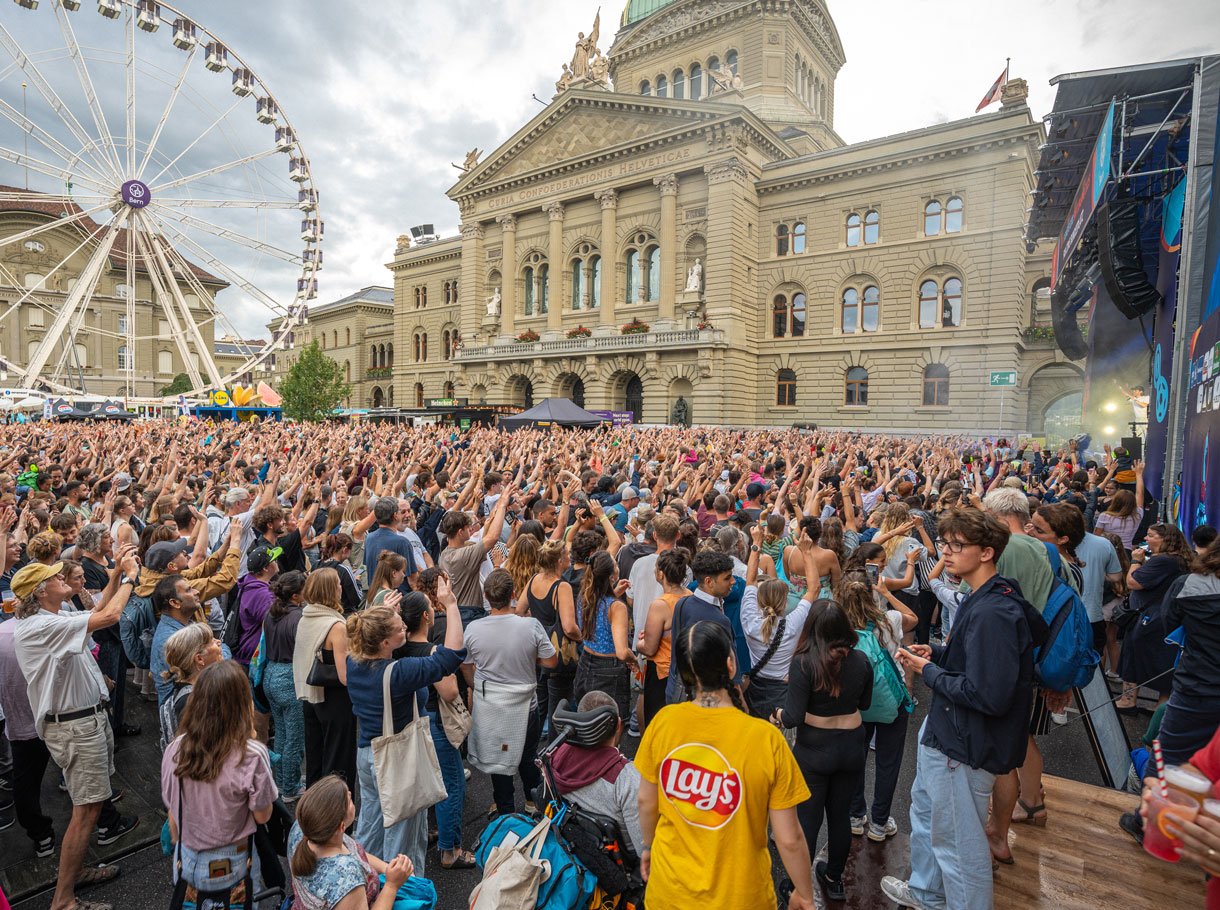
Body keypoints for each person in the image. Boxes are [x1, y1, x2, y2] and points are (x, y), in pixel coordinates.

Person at [883, 508, 1041, 910]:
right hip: (949, 731)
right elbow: (975, 662)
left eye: (957, 545)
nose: (946, 553)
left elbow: (989, 695)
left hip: (963, 741)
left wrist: (930, 671)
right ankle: (927, 894)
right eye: (946, 543)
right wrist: (937, 652)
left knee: (958, 846)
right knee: (929, 819)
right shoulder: (986, 596)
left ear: (987, 552)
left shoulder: (993, 612)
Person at [636, 620, 815, 910]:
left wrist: (647, 846)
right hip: (741, 897)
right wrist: (805, 894)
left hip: (669, 892)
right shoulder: (766, 739)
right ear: (730, 666)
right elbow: (789, 838)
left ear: (683, 675)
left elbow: (646, 801)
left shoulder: (663, 723)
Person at [12, 557, 139, 910]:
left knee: (90, 805)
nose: (63, 578)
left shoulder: (53, 617)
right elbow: (110, 616)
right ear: (40, 592)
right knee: (87, 809)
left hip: (83, 723)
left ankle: (76, 870)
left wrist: (116, 574)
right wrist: (130, 578)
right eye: (55, 578)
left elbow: (97, 611)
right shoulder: (40, 626)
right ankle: (64, 899)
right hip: (75, 727)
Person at [345, 590, 465, 875]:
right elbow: (450, 658)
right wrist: (451, 605)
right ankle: (404, 892)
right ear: (385, 642)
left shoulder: (354, 660)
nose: (404, 626)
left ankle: (365, 884)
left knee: (371, 829)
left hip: (368, 753)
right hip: (397, 759)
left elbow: (368, 627)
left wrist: (382, 610)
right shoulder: (398, 673)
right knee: (403, 841)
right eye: (399, 628)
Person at [776, 600, 872, 902]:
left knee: (808, 819)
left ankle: (797, 887)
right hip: (852, 748)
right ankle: (834, 879)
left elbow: (792, 717)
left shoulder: (804, 663)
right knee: (840, 816)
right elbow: (865, 703)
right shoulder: (861, 660)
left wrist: (776, 714)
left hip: (814, 752)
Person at [161, 661, 278, 909]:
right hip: (234, 859)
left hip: (187, 857)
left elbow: (172, 808)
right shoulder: (252, 754)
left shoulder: (175, 749)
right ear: (242, 704)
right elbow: (262, 815)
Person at [462, 568, 557, 818]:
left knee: (498, 759)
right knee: (528, 756)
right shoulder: (530, 626)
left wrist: (477, 686)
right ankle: (533, 800)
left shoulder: (473, 629)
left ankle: (505, 809)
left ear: (486, 596)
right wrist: (528, 657)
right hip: (526, 706)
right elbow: (551, 660)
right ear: (514, 594)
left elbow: (466, 666)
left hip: (491, 705)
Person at [396, 590, 475, 870]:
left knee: (423, 782)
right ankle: (450, 850)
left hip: (408, 721)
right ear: (426, 617)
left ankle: (429, 832)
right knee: (451, 785)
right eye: (431, 606)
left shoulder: (396, 648)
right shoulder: (429, 652)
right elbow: (450, 691)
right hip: (435, 722)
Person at [837, 569, 915, 843]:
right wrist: (886, 593)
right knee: (888, 761)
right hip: (891, 700)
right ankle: (880, 822)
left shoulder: (839, 628)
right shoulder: (889, 620)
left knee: (856, 759)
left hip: (856, 703)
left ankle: (855, 815)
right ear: (871, 593)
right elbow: (913, 618)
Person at [287, 775, 416, 910]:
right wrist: (392, 885)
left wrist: (386, 868)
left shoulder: (304, 828)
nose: (350, 794)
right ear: (341, 827)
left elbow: (353, 851)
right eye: (349, 800)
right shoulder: (347, 879)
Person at [549, 690, 644, 854]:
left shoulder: (554, 756)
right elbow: (643, 850)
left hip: (570, 845)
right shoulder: (627, 780)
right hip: (619, 860)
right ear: (618, 725)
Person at [1115, 523, 1193, 714]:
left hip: (1149, 617)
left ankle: (1128, 700)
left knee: (1133, 655)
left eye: (1150, 535)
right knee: (1163, 660)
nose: (1146, 539)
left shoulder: (1163, 561)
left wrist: (1135, 561)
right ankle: (1161, 706)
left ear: (1165, 539)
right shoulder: (1181, 559)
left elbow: (1133, 582)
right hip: (1165, 616)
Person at [741, 527, 817, 719]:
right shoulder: (792, 624)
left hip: (756, 687)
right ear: (784, 603)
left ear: (758, 600)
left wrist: (756, 543)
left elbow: (750, 580)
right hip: (782, 690)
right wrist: (807, 552)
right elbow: (814, 589)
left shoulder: (750, 620)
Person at [294, 568, 357, 786]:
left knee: (315, 759)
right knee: (339, 762)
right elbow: (345, 676)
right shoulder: (336, 626)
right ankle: (339, 805)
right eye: (338, 583)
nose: (341, 587)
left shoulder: (306, 616)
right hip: (335, 701)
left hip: (310, 696)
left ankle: (314, 805)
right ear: (331, 590)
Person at [515, 539, 581, 733]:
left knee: (540, 705)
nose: (570, 557)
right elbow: (569, 627)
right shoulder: (562, 586)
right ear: (560, 560)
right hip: (557, 654)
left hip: (537, 650)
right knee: (558, 710)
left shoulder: (534, 579)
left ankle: (533, 746)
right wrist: (582, 638)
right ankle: (555, 749)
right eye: (567, 554)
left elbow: (519, 610)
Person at [665, 549, 737, 704]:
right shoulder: (718, 619)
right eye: (727, 578)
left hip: (676, 689)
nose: (733, 581)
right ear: (709, 582)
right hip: (703, 698)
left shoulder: (683, 603)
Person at [572, 550, 634, 722]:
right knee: (610, 724)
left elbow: (599, 607)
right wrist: (635, 660)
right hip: (609, 669)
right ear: (611, 575)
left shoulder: (585, 597)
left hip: (585, 663)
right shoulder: (617, 607)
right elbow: (622, 652)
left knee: (587, 721)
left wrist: (615, 593)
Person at [263, 570, 308, 799]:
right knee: (294, 737)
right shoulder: (298, 618)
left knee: (281, 733)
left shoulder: (271, 613)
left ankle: (281, 780)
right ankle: (290, 787)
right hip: (289, 678)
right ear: (295, 596)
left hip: (270, 673)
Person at [636, 548, 690, 728]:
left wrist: (640, 643)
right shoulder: (690, 596)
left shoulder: (660, 604)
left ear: (661, 574)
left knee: (658, 724)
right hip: (685, 670)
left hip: (662, 672)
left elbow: (650, 648)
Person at [158, 621, 223, 749]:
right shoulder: (193, 702)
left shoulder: (197, 691)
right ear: (199, 659)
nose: (218, 642)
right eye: (212, 641)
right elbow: (204, 750)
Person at [362, 498, 418, 597]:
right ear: (395, 515)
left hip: (375, 597)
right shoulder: (402, 542)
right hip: (397, 598)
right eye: (400, 512)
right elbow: (413, 580)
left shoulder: (369, 538)